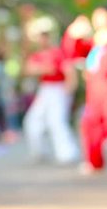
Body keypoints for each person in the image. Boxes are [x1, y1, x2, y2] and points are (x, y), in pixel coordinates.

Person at [63, 5, 107, 181]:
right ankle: (94, 162)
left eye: (101, 15)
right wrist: (72, 35)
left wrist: (98, 69)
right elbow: (73, 52)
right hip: (95, 90)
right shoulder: (96, 40)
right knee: (91, 124)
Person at [23, 18, 79, 164]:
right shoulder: (37, 55)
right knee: (33, 121)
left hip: (58, 89)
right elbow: (29, 69)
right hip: (45, 90)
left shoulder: (58, 53)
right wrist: (44, 69)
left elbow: (69, 72)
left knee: (57, 122)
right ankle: (40, 151)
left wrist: (68, 90)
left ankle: (67, 152)